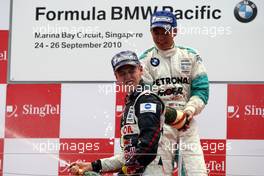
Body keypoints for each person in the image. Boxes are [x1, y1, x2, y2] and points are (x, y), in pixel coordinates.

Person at [69, 50, 165, 176]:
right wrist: (92, 166)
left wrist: (125, 172)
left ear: (141, 70)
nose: (128, 76)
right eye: (122, 73)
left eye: (132, 71)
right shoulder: (131, 102)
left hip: (150, 171)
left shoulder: (146, 98)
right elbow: (127, 157)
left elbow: (148, 147)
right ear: (116, 76)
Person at [140, 10, 209, 176]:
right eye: (155, 32)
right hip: (160, 124)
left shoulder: (191, 56)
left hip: (187, 120)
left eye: (164, 31)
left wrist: (189, 111)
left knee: (196, 171)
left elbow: (202, 90)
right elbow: (145, 97)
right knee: (155, 172)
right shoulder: (145, 60)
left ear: (174, 31)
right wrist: (167, 114)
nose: (160, 37)